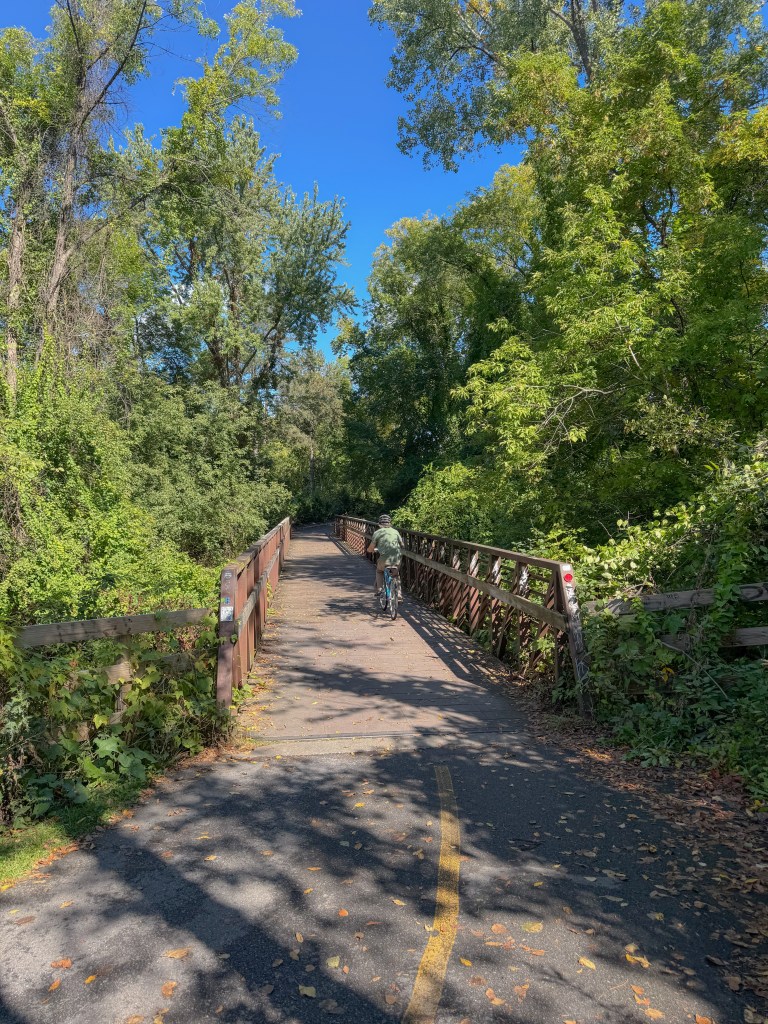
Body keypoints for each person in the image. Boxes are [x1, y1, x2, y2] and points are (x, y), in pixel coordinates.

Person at [367, 514, 404, 596]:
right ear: (390, 523)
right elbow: (402, 545)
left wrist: (371, 550)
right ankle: (399, 594)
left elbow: (371, 548)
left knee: (379, 571)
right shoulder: (395, 531)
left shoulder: (377, 533)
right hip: (396, 558)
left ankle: (379, 589)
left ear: (379, 524)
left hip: (384, 560)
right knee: (396, 575)